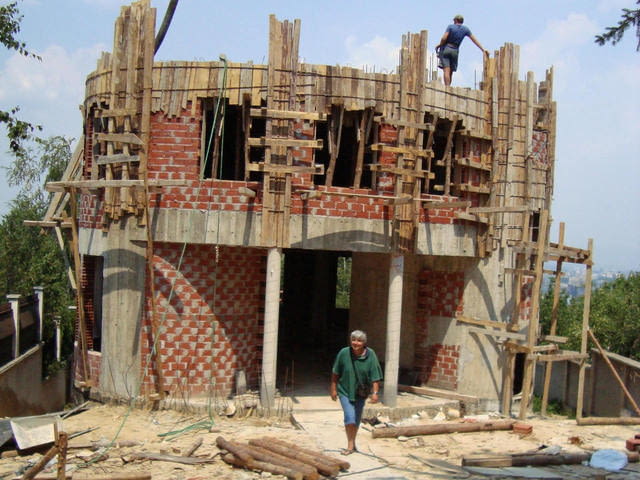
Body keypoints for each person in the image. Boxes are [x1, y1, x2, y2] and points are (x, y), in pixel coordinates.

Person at [330, 329, 383, 455]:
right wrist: (333, 388)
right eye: (353, 340)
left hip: (360, 393)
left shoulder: (371, 355)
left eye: (359, 341)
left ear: (364, 343)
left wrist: (375, 393)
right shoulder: (344, 353)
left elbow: (375, 376)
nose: (356, 343)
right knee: (350, 418)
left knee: (356, 419)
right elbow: (335, 372)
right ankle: (350, 446)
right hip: (345, 390)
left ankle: (352, 443)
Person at [436, 14, 489, 86]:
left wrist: (440, 44)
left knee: (446, 70)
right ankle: (449, 87)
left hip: (446, 48)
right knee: (451, 71)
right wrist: (483, 49)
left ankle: (447, 87)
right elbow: (474, 40)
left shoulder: (450, 27)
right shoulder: (465, 29)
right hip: (455, 50)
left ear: (455, 20)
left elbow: (444, 38)